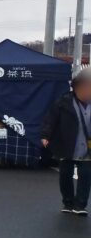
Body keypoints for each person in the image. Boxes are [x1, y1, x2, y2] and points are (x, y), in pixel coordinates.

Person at [40, 68, 91, 215]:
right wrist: (45, 135)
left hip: (87, 146)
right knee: (65, 175)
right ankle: (68, 202)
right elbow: (51, 120)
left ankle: (80, 205)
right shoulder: (63, 102)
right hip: (66, 143)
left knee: (86, 176)